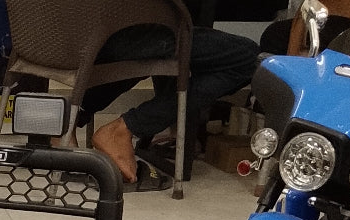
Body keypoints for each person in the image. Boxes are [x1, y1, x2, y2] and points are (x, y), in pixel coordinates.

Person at [87, 24, 259, 182]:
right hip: (128, 35)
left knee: (163, 43)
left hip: (85, 35)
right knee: (248, 58)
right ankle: (124, 128)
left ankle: (72, 119)